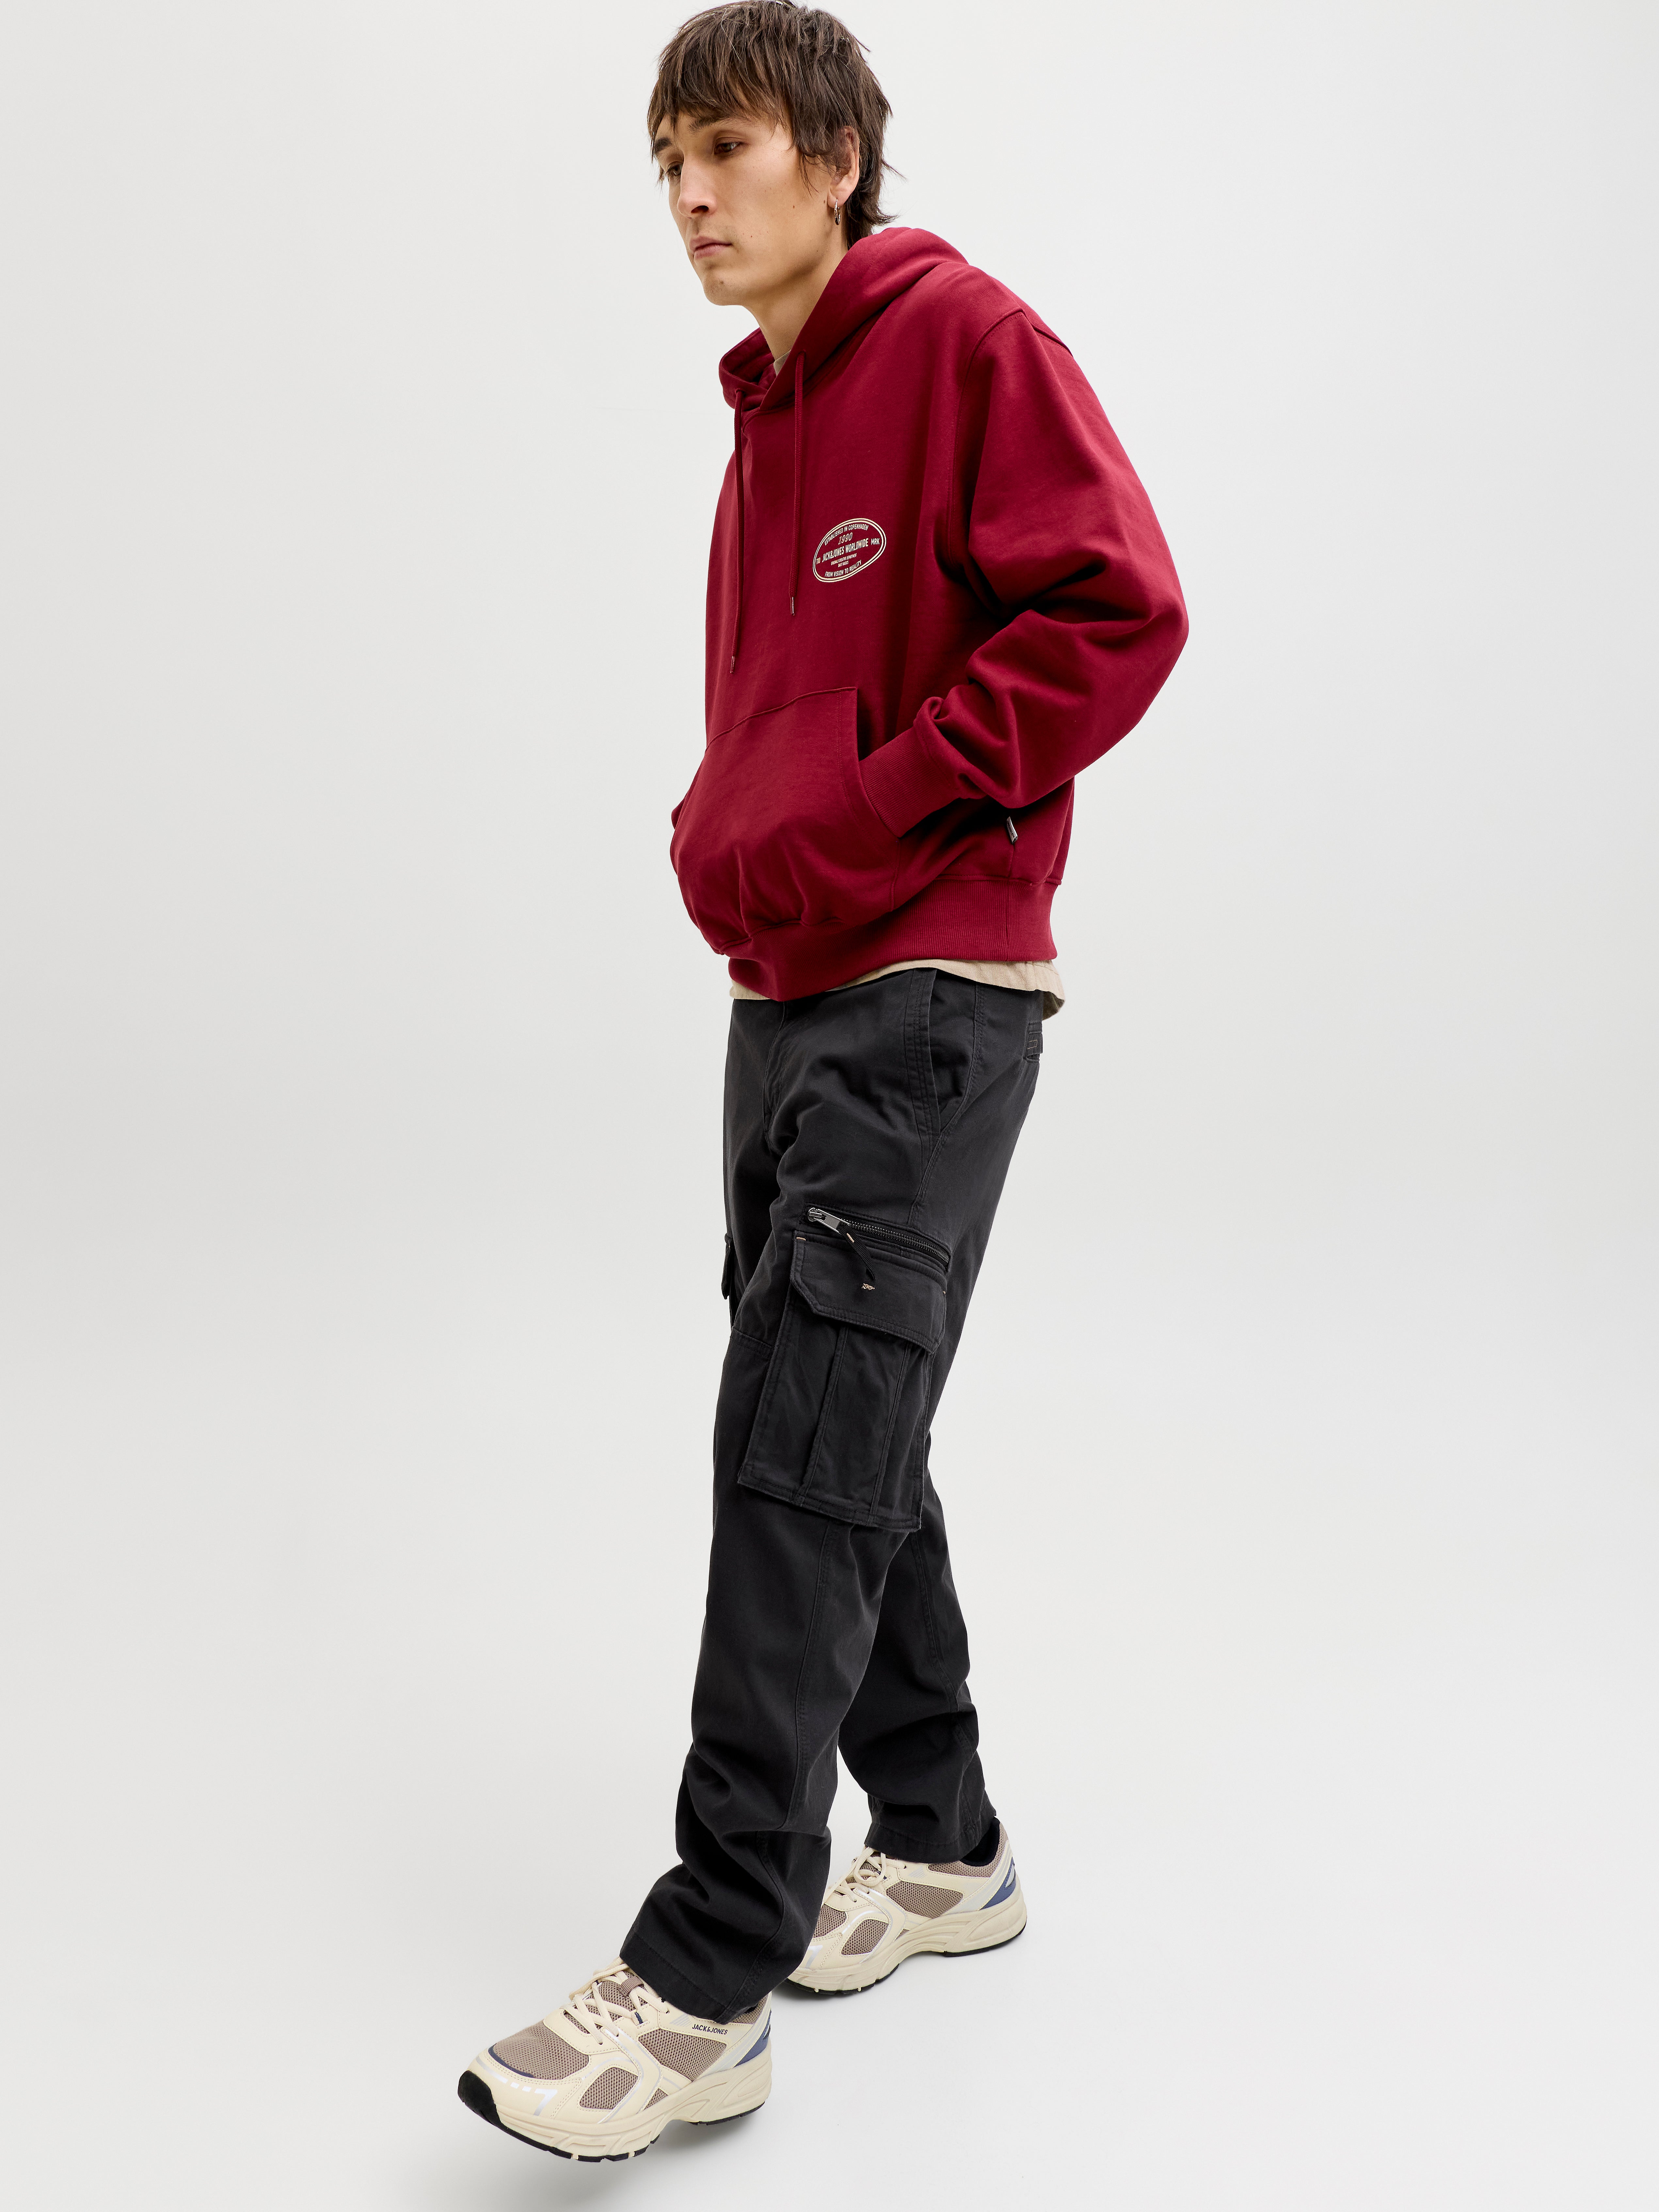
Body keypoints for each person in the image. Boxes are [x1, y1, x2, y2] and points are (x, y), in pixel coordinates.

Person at [458, 1, 1186, 2162]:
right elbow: (778, 728)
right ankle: (943, 1841)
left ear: (838, 156)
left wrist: (870, 809)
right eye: (667, 162)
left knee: (798, 1445)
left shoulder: (964, 344)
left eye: (730, 148)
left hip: (929, 990)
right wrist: (725, 834)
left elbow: (1120, 610)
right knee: (834, 1417)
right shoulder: (766, 422)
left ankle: (711, 1967)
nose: (692, 195)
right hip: (790, 995)